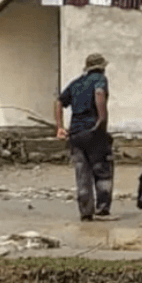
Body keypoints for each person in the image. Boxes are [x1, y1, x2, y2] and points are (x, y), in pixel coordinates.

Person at [55, 53, 113, 221]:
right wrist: (101, 119)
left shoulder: (76, 83)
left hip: (75, 133)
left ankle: (86, 212)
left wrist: (59, 127)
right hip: (94, 132)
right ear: (102, 68)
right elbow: (100, 94)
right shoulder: (100, 79)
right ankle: (102, 209)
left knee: (82, 172)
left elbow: (59, 101)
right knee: (102, 170)